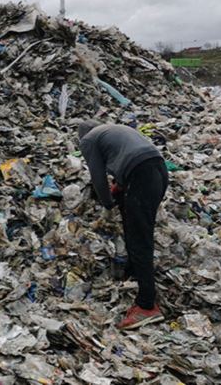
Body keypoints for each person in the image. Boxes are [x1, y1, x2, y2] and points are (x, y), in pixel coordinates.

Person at [78, 119, 169, 330]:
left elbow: (98, 178)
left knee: (140, 239)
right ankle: (134, 270)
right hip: (158, 170)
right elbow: (128, 159)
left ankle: (146, 306)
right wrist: (119, 188)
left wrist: (107, 204)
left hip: (141, 175)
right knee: (135, 224)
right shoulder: (113, 131)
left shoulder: (88, 141)